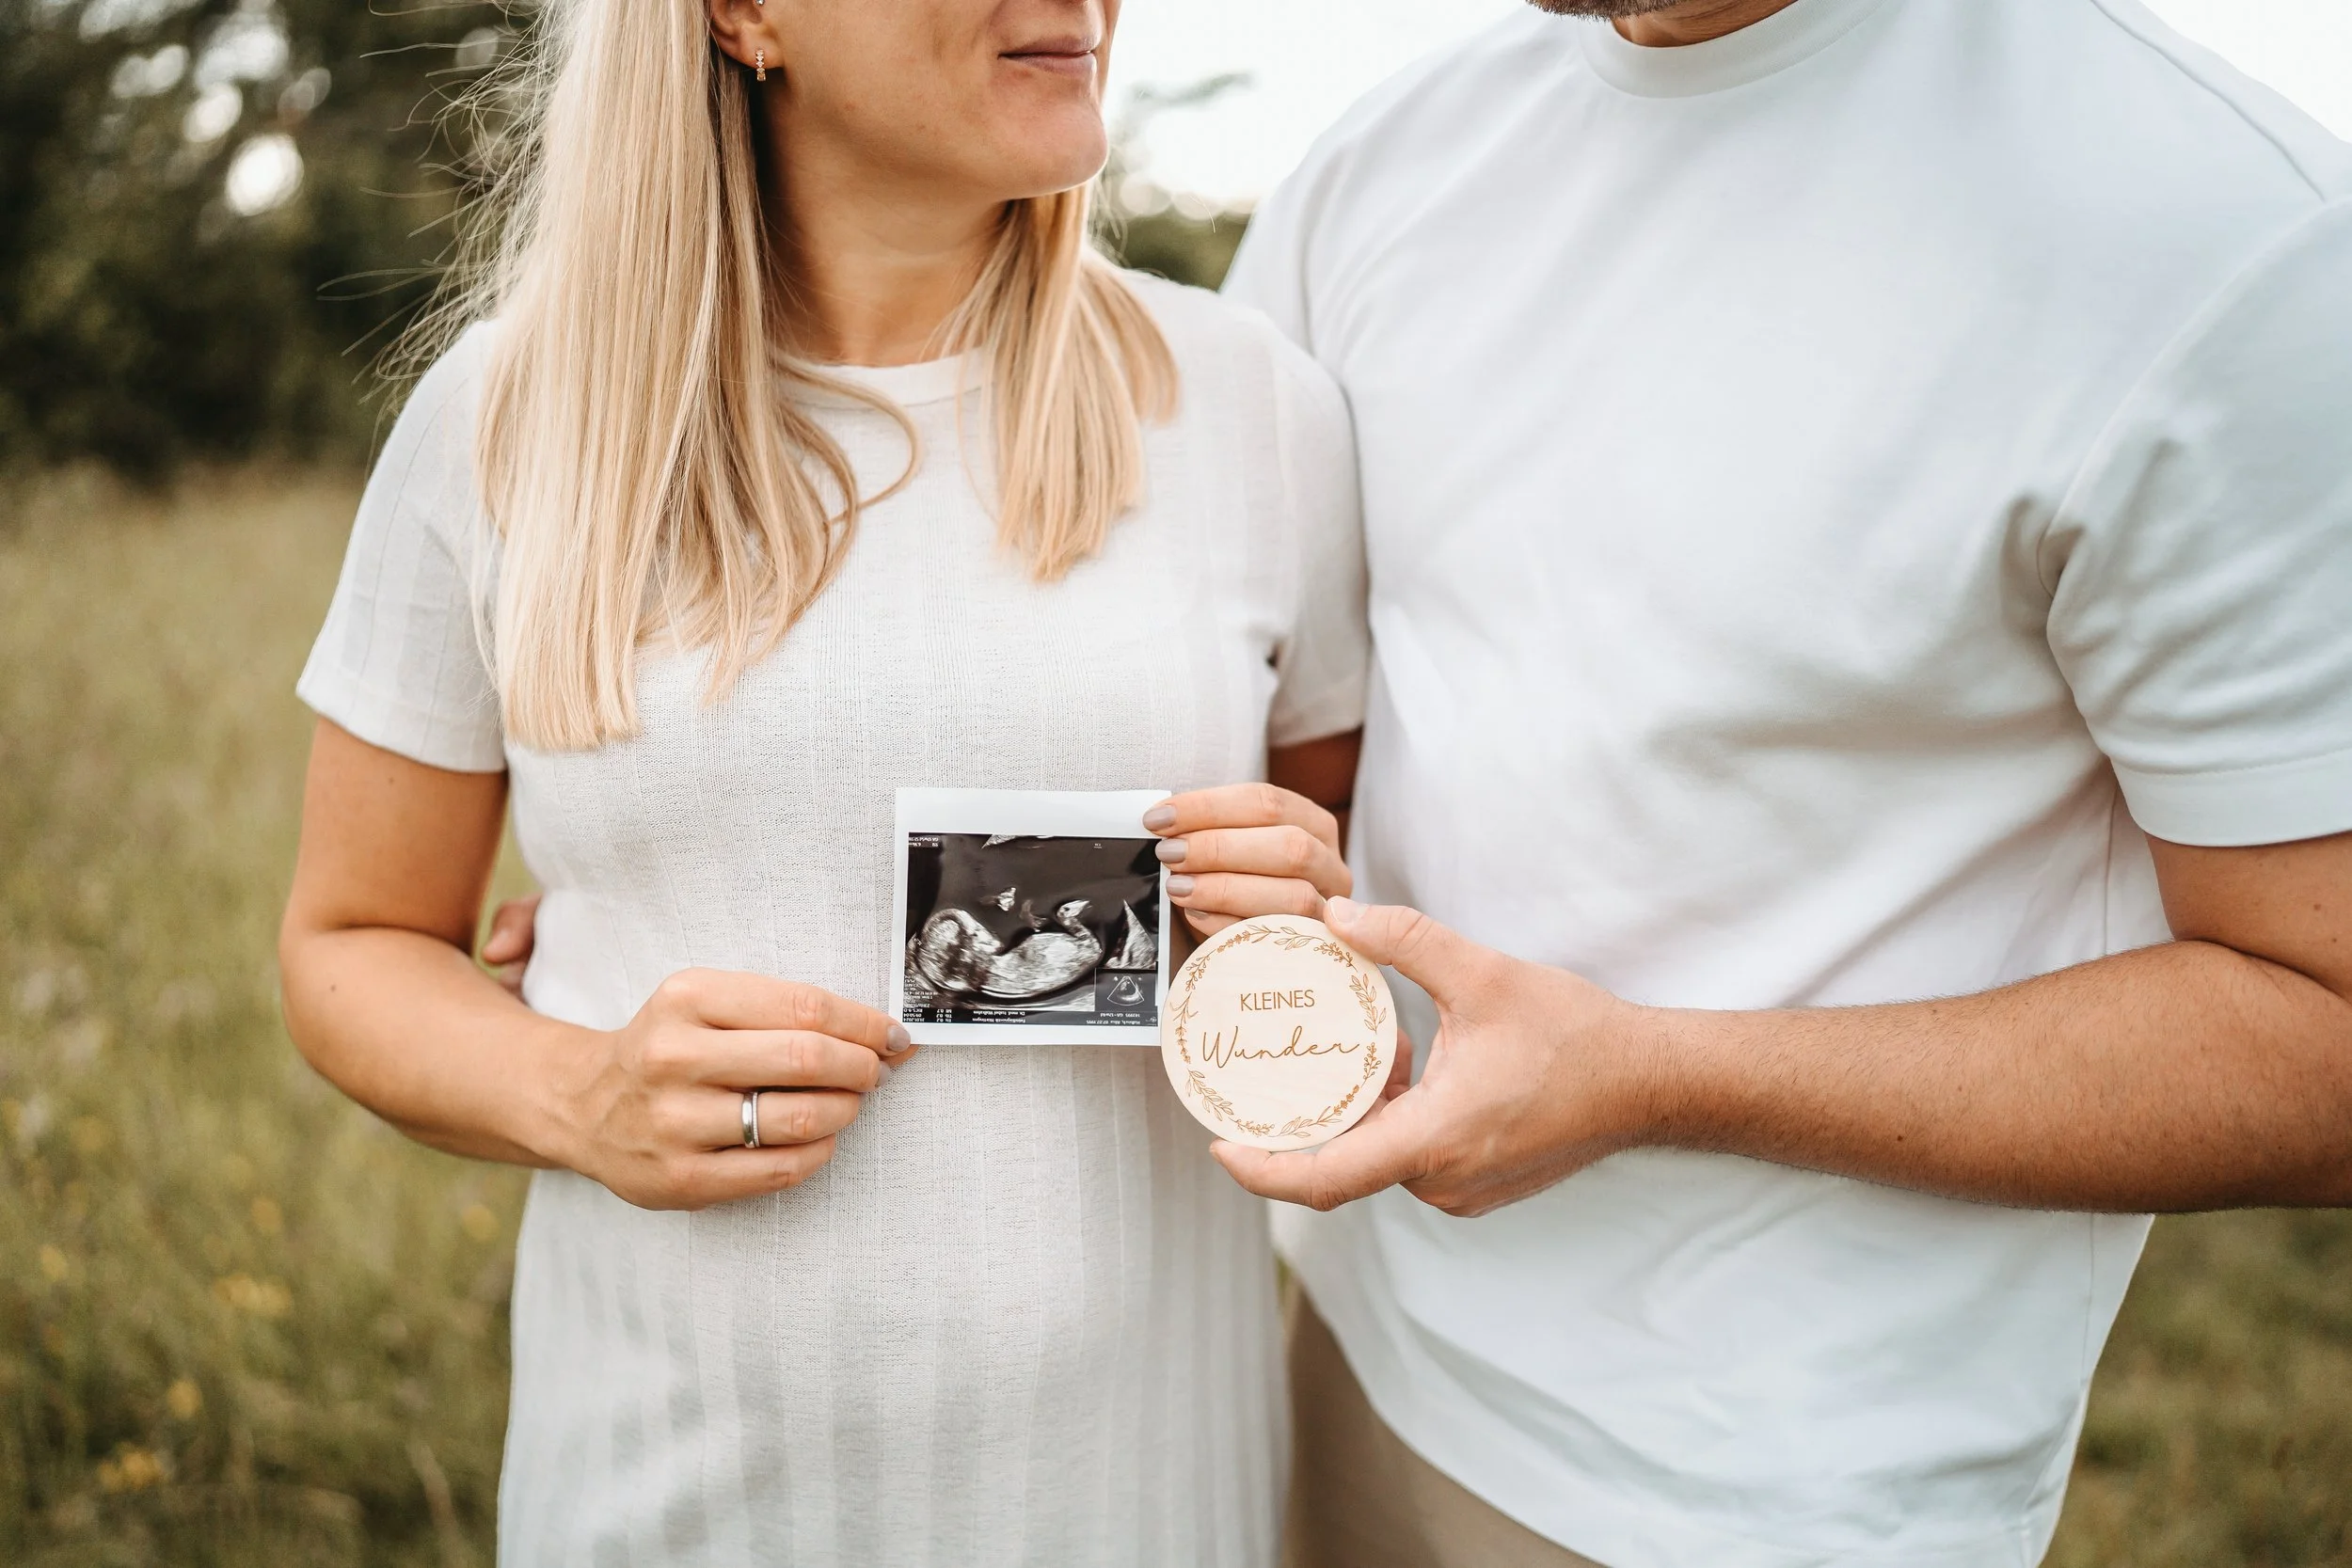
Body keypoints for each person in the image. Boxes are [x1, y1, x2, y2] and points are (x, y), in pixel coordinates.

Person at [1205, 1, 2352, 1566]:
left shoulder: (2235, 246)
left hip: (1764, 1483)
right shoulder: (1384, 158)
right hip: (1343, 1336)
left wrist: (1653, 1073)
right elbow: (1298, 701)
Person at [276, 0, 1369, 1561]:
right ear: (743, 16)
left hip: (1141, 1499)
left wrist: (1296, 933)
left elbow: (1365, 925)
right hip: (667, 1500)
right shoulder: (505, 423)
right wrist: (574, 1094)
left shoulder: (1253, 405)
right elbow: (349, 943)